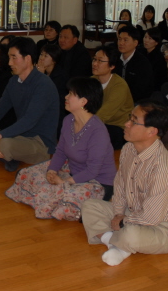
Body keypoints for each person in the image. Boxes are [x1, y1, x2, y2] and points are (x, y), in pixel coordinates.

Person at [81, 101, 168, 267]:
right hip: (132, 212)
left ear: (151, 131)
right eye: (129, 118)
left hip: (164, 228)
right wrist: (118, 214)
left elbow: (152, 217)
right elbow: (119, 187)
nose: (127, 124)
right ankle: (115, 244)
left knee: (130, 233)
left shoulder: (163, 167)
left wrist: (123, 222)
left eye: (133, 121)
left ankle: (118, 242)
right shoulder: (128, 149)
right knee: (89, 206)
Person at [6, 77, 116, 220]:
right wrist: (52, 170)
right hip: (71, 172)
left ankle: (71, 202)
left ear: (84, 101)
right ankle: (55, 194)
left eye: (71, 94)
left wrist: (66, 183)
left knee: (66, 195)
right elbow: (61, 151)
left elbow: (93, 170)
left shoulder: (98, 131)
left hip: (97, 183)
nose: (66, 96)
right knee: (27, 174)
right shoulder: (68, 120)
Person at [0, 37, 60, 172]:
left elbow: (29, 120)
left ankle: (5, 154)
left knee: (5, 144)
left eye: (14, 57)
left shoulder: (43, 84)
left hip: (40, 144)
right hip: (19, 137)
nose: (9, 62)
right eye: (9, 57)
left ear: (28, 58)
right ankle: (5, 156)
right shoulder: (14, 81)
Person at [91, 44, 133, 150]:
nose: (95, 64)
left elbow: (104, 113)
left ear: (112, 66)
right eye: (94, 59)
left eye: (100, 61)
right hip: (97, 122)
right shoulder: (92, 81)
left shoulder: (119, 86)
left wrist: (83, 126)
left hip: (118, 127)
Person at [36, 43, 69, 136]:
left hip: (57, 115)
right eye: (41, 54)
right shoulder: (42, 73)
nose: (41, 58)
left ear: (54, 59)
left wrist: (41, 77)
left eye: (46, 56)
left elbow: (48, 97)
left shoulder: (61, 76)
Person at [117, 26, 154, 101]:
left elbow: (142, 91)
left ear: (135, 43)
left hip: (135, 101)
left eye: (125, 40)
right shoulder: (114, 58)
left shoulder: (143, 63)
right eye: (119, 39)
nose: (121, 43)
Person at [141, 27, 168, 91]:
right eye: (145, 37)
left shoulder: (159, 57)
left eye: (150, 38)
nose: (146, 40)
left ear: (156, 42)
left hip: (154, 87)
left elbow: (156, 78)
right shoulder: (141, 51)